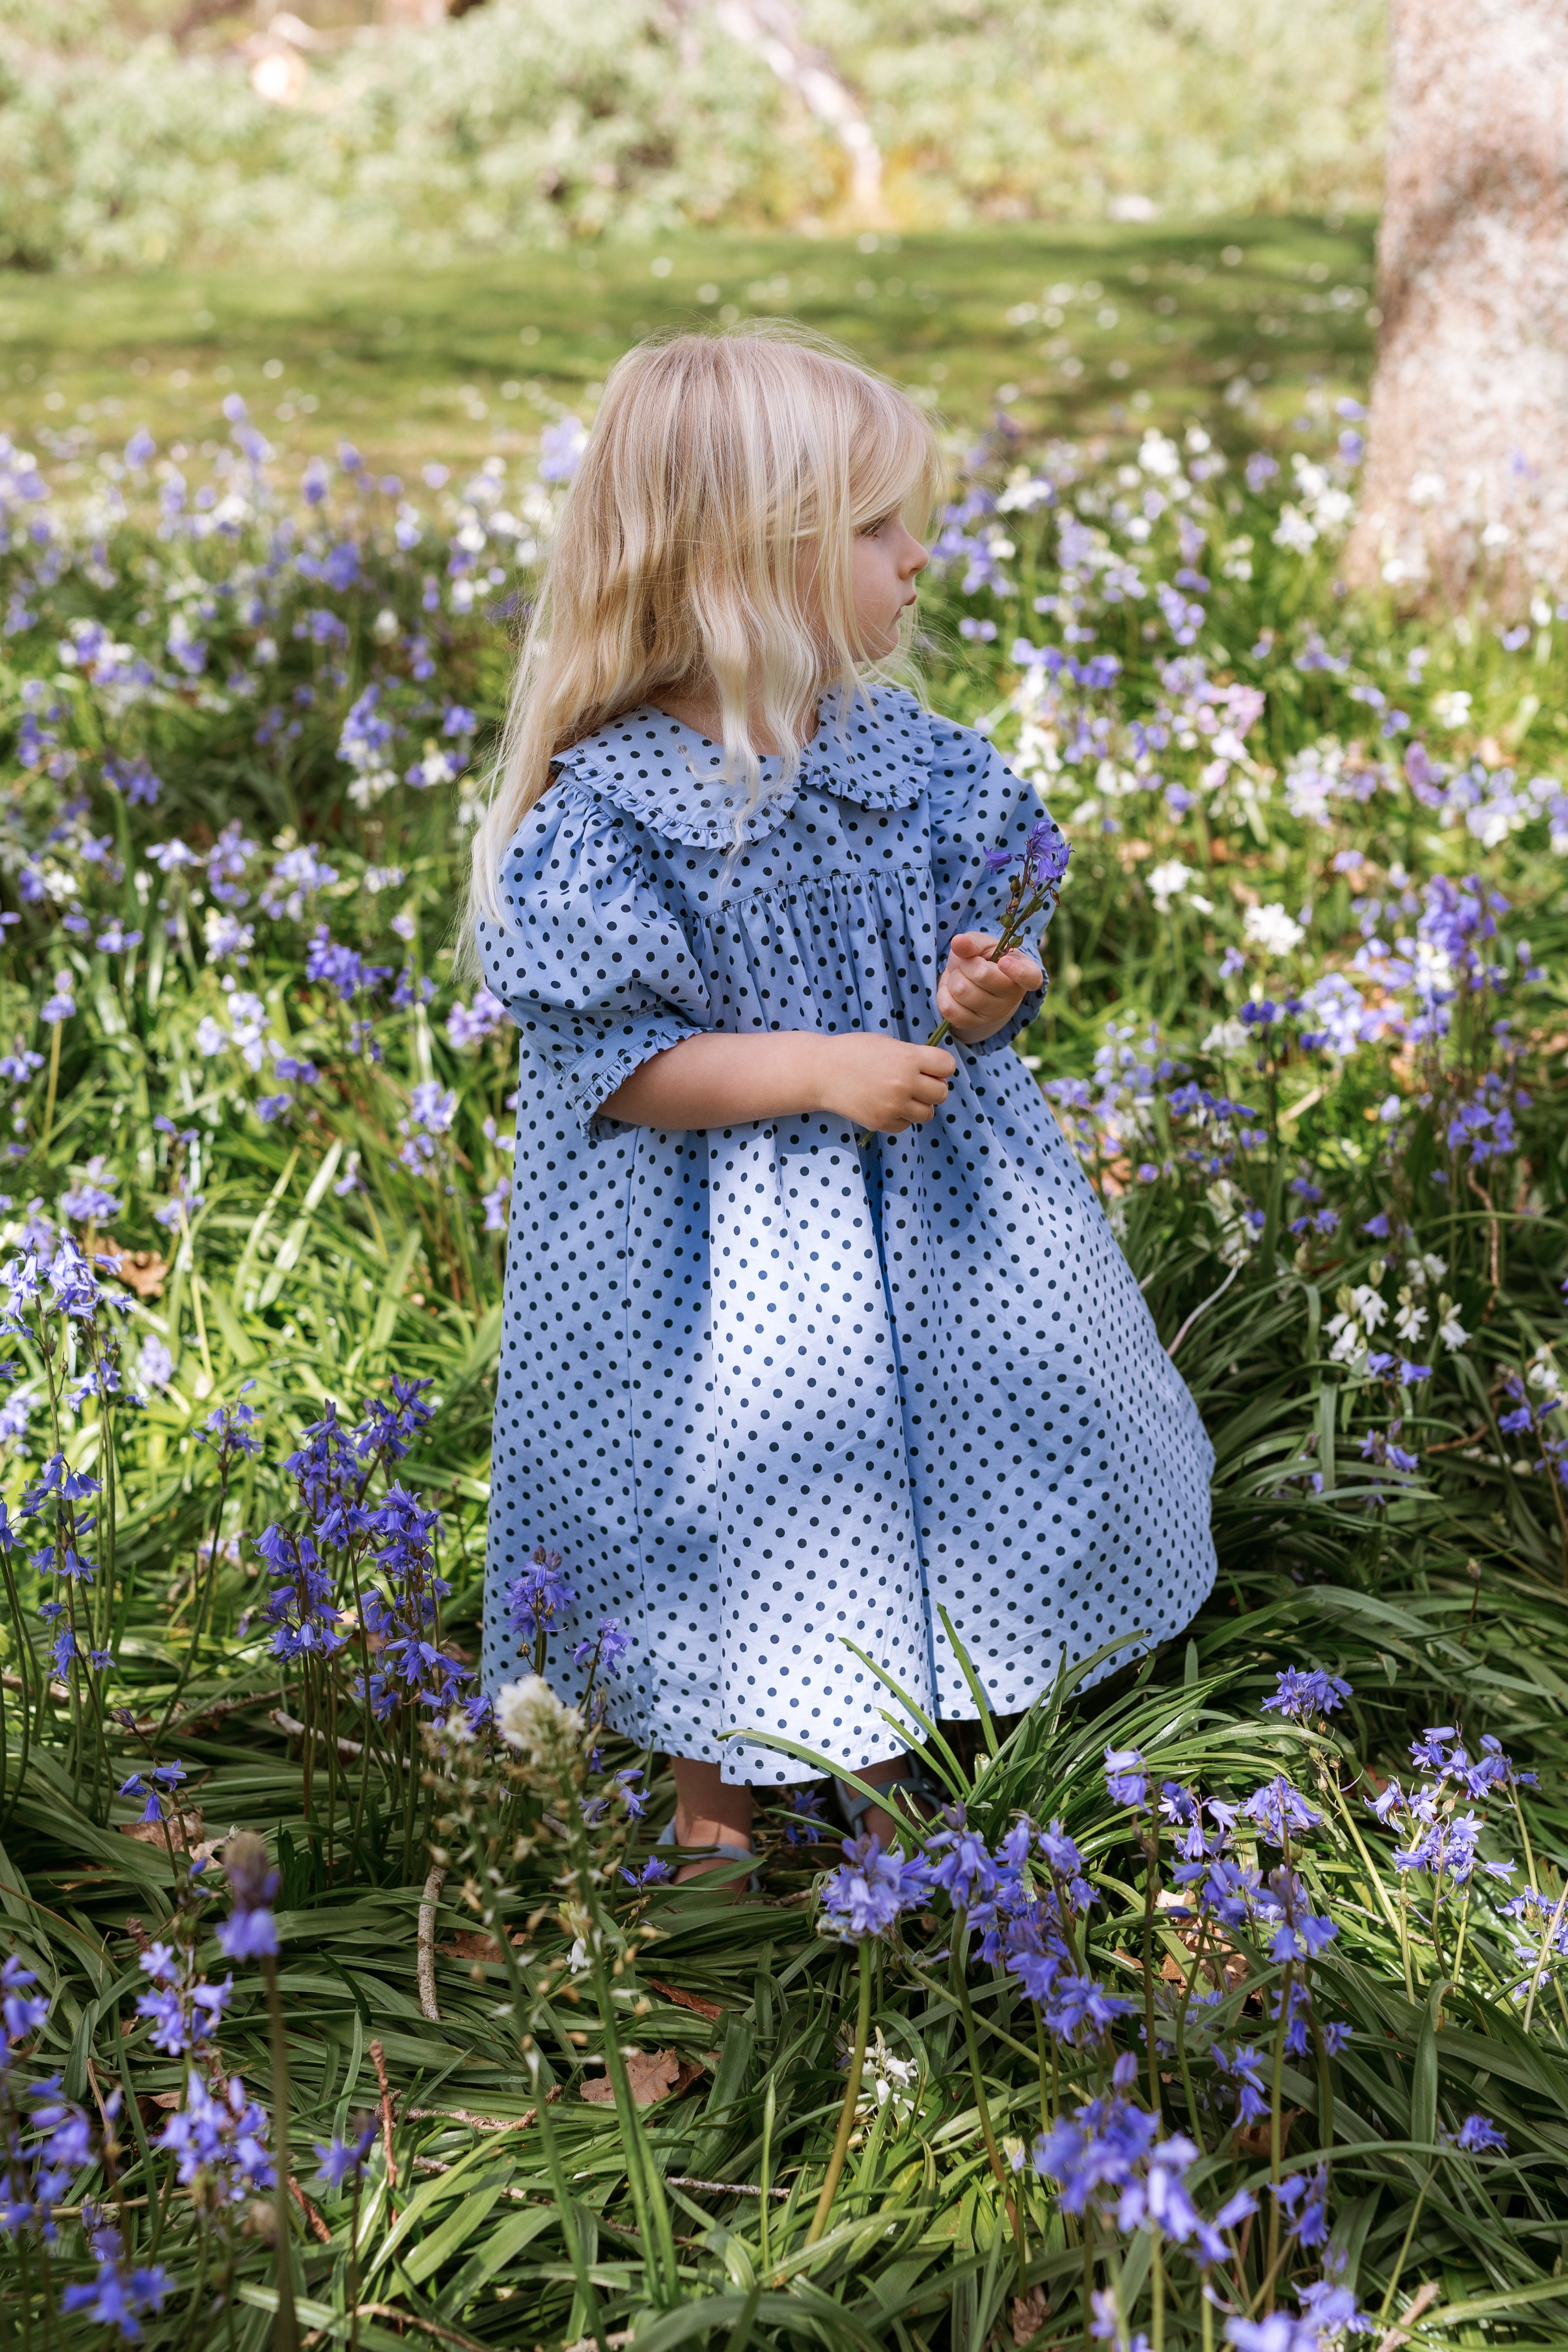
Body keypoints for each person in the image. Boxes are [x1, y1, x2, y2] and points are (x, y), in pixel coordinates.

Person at [468, 325, 1215, 1878]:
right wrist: (821, 1067)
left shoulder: (906, 761)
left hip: (927, 1221)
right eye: (875, 530)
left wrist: (982, 993)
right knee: (730, 1505)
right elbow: (622, 1069)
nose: (916, 558)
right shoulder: (615, 812)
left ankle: (894, 1783)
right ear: (746, 563)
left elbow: (992, 926)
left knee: (927, 1460)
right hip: (715, 1263)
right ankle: (717, 1826)